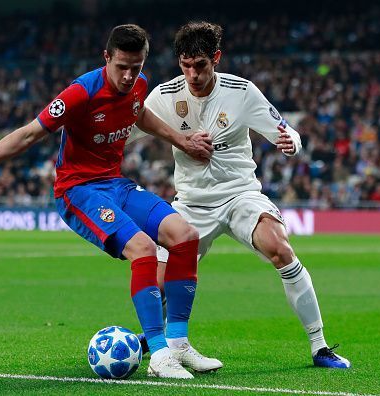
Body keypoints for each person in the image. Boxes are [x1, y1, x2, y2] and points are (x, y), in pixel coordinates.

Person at [0, 24, 221, 379]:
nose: (128, 76)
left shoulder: (139, 86)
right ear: (106, 57)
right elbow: (30, 133)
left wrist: (181, 140)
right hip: (78, 190)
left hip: (115, 184)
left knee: (185, 235)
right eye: (121, 66)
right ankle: (158, 354)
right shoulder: (80, 93)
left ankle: (178, 344)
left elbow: (140, 114)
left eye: (136, 67)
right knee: (142, 249)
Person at [130, 21, 351, 369]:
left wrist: (291, 143)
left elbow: (287, 132)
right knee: (157, 284)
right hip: (190, 203)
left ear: (216, 58)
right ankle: (156, 340)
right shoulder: (164, 95)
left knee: (280, 248)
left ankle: (319, 346)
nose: (192, 74)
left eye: (200, 65)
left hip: (240, 195)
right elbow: (126, 133)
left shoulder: (241, 92)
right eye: (185, 65)